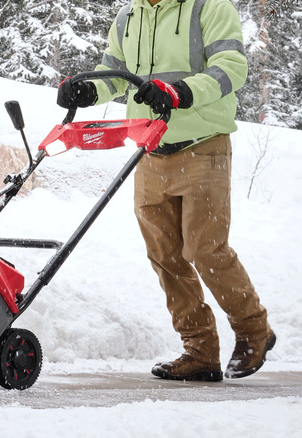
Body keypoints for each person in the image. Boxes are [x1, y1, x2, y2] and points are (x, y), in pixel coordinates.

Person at [57, 0, 275, 381]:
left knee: (205, 249)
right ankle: (200, 350)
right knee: (164, 255)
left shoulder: (209, 7)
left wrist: (179, 92)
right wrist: (87, 91)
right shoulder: (129, 15)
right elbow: (115, 76)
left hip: (202, 145)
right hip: (149, 149)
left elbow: (231, 69)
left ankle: (253, 329)